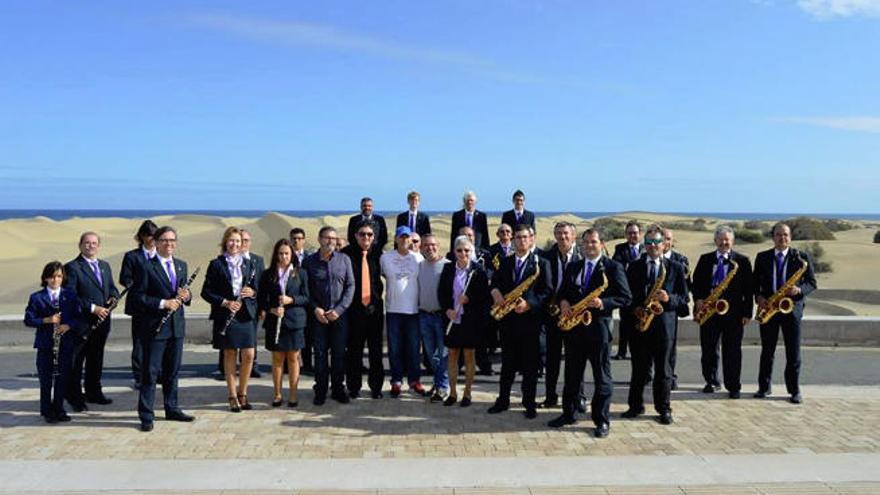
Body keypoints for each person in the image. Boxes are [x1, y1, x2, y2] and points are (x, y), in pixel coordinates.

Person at [548, 228, 631, 438]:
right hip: (575, 330)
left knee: (602, 377)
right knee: (572, 376)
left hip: (598, 331)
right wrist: (564, 302)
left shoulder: (613, 268)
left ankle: (601, 420)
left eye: (593, 242)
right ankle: (569, 414)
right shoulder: (574, 266)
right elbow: (563, 292)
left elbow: (625, 297)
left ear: (602, 244)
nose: (589, 246)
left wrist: (603, 302)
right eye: (586, 243)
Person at [621, 225, 688, 425]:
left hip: (664, 329)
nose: (652, 246)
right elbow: (626, 298)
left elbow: (684, 300)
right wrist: (635, 309)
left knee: (664, 371)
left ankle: (664, 408)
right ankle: (635, 406)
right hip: (640, 326)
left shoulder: (675, 267)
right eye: (648, 243)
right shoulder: (634, 266)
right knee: (639, 369)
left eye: (656, 242)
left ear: (664, 243)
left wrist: (669, 298)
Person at [130, 226, 195, 432]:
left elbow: (185, 293)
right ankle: (146, 415)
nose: (169, 244)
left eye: (172, 240)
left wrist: (187, 296)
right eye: (165, 240)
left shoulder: (182, 265)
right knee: (150, 373)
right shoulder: (146, 266)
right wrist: (162, 303)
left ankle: (171, 408)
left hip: (176, 327)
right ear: (156, 243)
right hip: (155, 328)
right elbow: (137, 297)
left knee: (172, 371)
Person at [487, 224, 552, 419]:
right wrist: (495, 292)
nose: (521, 240)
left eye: (525, 237)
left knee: (530, 367)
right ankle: (502, 400)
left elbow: (547, 292)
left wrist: (530, 304)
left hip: (530, 324)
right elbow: (495, 283)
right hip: (508, 322)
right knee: (507, 365)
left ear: (531, 239)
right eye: (517, 237)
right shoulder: (505, 262)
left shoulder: (542, 264)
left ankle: (529, 403)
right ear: (513, 240)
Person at [753, 222, 817, 404]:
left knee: (793, 353)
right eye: (779, 235)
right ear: (773, 237)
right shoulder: (762, 257)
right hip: (769, 309)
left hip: (792, 310)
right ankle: (764, 387)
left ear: (790, 237)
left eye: (786, 235)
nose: (783, 238)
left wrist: (799, 290)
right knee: (767, 351)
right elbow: (754, 283)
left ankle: (794, 390)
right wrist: (758, 297)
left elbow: (812, 283)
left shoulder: (801, 258)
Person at [201, 227, 259, 412]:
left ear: (243, 244)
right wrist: (225, 302)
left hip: (245, 314)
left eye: (238, 241)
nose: (235, 244)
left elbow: (259, 289)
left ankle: (243, 392)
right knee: (230, 354)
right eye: (231, 241)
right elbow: (206, 292)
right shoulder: (217, 264)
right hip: (227, 314)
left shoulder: (249, 264)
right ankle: (232, 395)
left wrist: (253, 292)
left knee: (249, 354)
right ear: (225, 242)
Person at [692, 225, 753, 399]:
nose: (724, 242)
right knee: (709, 349)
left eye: (727, 239)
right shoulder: (705, 259)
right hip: (709, 311)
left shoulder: (742, 261)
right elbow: (696, 284)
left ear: (732, 241)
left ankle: (734, 386)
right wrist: (699, 300)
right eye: (721, 239)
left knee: (733, 351)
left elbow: (749, 289)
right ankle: (711, 381)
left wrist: (747, 313)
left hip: (733, 313)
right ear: (715, 241)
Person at [64, 232, 120, 411]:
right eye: (87, 243)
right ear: (80, 245)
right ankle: (74, 397)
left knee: (96, 359)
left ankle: (94, 392)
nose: (91, 246)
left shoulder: (105, 266)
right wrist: (93, 308)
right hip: (81, 323)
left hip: (102, 323)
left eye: (94, 243)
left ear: (99, 246)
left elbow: (112, 288)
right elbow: (70, 296)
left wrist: (113, 298)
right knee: (77, 361)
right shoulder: (72, 267)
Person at [303, 226, 355, 405]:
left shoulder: (344, 260)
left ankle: (338, 389)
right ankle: (321, 389)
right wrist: (316, 309)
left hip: (339, 317)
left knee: (339, 354)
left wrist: (339, 310)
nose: (331, 241)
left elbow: (350, 287)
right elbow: (305, 291)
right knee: (320, 354)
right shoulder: (309, 262)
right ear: (319, 239)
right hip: (318, 318)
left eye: (333, 238)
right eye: (327, 238)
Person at [24, 261, 79, 423]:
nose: (56, 280)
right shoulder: (37, 297)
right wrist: (47, 320)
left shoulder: (69, 296)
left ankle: (59, 409)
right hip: (45, 344)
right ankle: (47, 411)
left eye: (59, 276)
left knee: (62, 379)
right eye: (52, 277)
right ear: (46, 278)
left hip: (65, 343)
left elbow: (78, 316)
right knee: (46, 379)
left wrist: (68, 325)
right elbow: (29, 319)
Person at [438, 235, 490, 407]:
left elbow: (484, 298)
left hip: (470, 321)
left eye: (466, 250)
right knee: (452, 355)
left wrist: (470, 299)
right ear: (454, 251)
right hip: (452, 319)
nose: (463, 253)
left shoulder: (478, 270)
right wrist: (447, 310)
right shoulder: (447, 269)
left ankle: (467, 393)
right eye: (459, 250)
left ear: (471, 251)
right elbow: (442, 293)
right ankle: (452, 393)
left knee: (469, 356)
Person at [258, 239, 309, 408]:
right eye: (280, 253)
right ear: (276, 255)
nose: (284, 256)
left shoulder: (300, 273)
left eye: (287, 253)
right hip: (275, 322)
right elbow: (261, 300)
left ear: (292, 254)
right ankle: (277, 394)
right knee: (277, 358)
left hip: (294, 322)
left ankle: (293, 394)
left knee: (293, 358)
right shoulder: (267, 274)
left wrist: (291, 299)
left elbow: (306, 298)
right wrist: (271, 310)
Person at [381, 226, 427, 397]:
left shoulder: (418, 258)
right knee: (395, 348)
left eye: (407, 237)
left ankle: (414, 381)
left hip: (413, 310)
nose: (404, 240)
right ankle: (396, 381)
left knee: (414, 348)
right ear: (396, 239)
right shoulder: (385, 258)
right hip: (393, 310)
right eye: (401, 237)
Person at [342, 222, 385, 400]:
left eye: (369, 234)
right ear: (355, 235)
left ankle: (376, 388)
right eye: (362, 234)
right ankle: (353, 387)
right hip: (354, 310)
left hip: (374, 310)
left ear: (374, 237)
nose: (366, 237)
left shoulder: (379, 254)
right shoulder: (345, 254)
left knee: (376, 351)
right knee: (354, 351)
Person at [119, 220, 158, 390]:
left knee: (159, 342)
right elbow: (125, 278)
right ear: (141, 237)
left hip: (159, 306)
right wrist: (137, 287)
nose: (152, 239)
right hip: (140, 307)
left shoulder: (162, 255)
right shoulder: (132, 256)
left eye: (155, 235)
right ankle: (140, 376)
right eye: (149, 235)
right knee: (140, 343)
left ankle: (157, 373)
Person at [418, 233, 451, 402]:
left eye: (433, 245)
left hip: (441, 318)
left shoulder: (448, 266)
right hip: (424, 316)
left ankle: (443, 386)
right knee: (431, 355)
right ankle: (438, 383)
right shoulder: (420, 266)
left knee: (442, 353)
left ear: (439, 246)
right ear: (421, 248)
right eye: (426, 245)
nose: (430, 248)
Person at [662, 228, 691, 390]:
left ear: (672, 242)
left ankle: (670, 376)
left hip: (672, 310)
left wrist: (671, 299)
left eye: (668, 239)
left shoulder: (680, 260)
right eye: (663, 238)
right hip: (653, 310)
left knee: (670, 348)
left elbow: (686, 287)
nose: (665, 242)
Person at [611, 221, 644, 360]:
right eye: (630, 233)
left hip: (642, 292)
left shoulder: (646, 248)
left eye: (635, 233)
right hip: (625, 291)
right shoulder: (620, 249)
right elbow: (617, 267)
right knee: (625, 323)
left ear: (640, 234)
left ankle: (639, 350)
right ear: (626, 235)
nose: (633, 235)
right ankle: (622, 351)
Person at [289, 227, 315, 372]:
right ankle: (290, 364)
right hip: (292, 300)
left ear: (304, 240)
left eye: (299, 238)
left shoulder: (310, 257)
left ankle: (307, 364)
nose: (296, 241)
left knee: (308, 334)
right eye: (294, 238)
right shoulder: (286, 255)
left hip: (308, 299)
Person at [241, 229, 264, 378]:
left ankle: (252, 366)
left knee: (251, 339)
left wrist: (254, 294)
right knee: (229, 342)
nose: (243, 243)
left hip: (252, 307)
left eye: (246, 240)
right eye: (241, 240)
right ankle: (225, 368)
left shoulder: (258, 260)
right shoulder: (226, 259)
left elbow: (262, 285)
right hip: (232, 307)